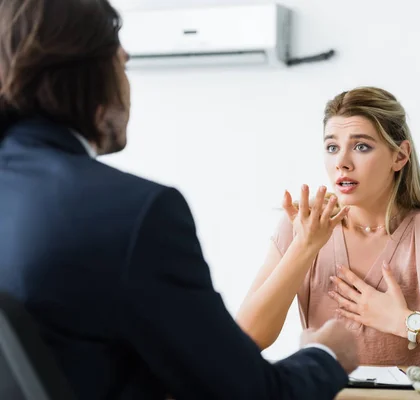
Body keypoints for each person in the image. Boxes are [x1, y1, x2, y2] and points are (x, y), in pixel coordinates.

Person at [0, 0, 359, 399]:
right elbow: (252, 391)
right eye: (123, 65)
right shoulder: (132, 214)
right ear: (91, 75)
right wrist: (329, 355)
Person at [237, 86, 420, 368]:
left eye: (361, 146)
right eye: (331, 147)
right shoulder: (300, 228)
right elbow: (246, 340)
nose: (342, 162)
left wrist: (405, 322)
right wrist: (304, 247)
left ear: (400, 156)